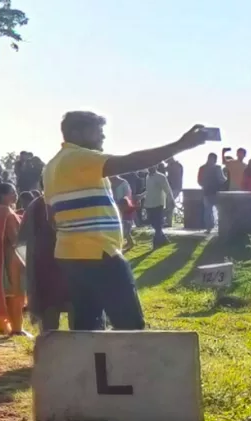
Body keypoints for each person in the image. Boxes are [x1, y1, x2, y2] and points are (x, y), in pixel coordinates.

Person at [43, 112, 207, 331]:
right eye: (96, 131)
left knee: (87, 327)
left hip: (69, 255)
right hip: (99, 252)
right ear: (76, 133)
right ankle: (131, 366)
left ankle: (92, 366)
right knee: (130, 326)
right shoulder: (78, 157)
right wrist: (181, 145)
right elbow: (132, 161)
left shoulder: (51, 167)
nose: (102, 136)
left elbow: (50, 216)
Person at [21, 192, 68, 332]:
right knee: (49, 317)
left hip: (67, 267)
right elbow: (24, 241)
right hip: (47, 268)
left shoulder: (36, 205)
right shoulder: (36, 206)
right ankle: (50, 349)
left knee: (78, 322)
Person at [0, 183, 28, 336]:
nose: (15, 195)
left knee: (8, 293)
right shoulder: (4, 210)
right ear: (3, 195)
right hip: (11, 257)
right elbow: (14, 237)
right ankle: (17, 328)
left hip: (3, 257)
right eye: (12, 192)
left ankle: (5, 327)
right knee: (16, 294)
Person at [142, 166, 174, 248]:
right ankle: (164, 240)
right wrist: (141, 197)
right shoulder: (147, 177)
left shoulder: (161, 177)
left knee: (158, 224)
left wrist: (171, 200)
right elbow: (148, 190)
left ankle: (156, 243)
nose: (149, 168)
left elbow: (167, 189)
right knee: (154, 224)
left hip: (158, 204)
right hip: (149, 204)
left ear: (156, 166)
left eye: (152, 166)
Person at [197, 152, 226, 232]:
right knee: (216, 211)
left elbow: (199, 181)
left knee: (209, 211)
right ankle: (217, 227)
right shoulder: (217, 168)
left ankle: (210, 227)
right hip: (215, 192)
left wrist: (204, 185)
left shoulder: (202, 168)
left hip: (209, 191)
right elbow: (222, 179)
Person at [109, 172, 136, 249]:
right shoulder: (108, 184)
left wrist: (123, 203)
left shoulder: (123, 183)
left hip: (124, 206)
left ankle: (127, 242)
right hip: (113, 207)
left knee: (124, 226)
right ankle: (127, 242)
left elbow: (128, 195)